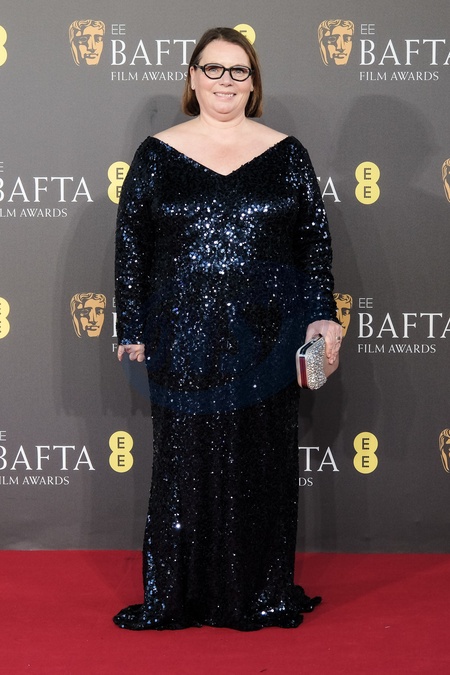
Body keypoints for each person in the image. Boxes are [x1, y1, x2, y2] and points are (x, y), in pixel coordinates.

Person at [114, 26, 342, 631]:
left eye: (238, 71)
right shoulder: (157, 154)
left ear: (253, 82)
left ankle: (258, 592)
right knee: (184, 466)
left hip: (269, 337)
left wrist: (322, 316)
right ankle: (178, 595)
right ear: (193, 78)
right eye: (213, 69)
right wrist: (131, 324)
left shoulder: (286, 153)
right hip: (180, 335)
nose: (225, 81)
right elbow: (133, 245)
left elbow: (313, 246)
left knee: (262, 462)